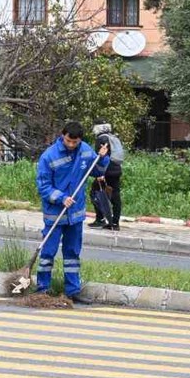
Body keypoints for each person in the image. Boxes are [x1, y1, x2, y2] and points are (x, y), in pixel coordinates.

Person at [36, 121, 110, 304]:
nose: (71, 145)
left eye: (74, 142)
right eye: (68, 141)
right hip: (55, 214)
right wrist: (61, 198)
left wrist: (102, 158)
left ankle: (72, 290)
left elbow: (97, 171)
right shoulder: (49, 157)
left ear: (80, 140)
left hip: (75, 215)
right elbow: (43, 186)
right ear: (63, 135)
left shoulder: (85, 150)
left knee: (72, 254)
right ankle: (42, 289)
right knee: (48, 252)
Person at [89, 123, 125, 231]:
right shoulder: (113, 137)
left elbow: (100, 156)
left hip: (106, 170)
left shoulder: (101, 139)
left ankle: (100, 219)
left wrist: (100, 174)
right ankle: (115, 222)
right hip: (117, 169)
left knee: (95, 192)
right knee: (115, 195)